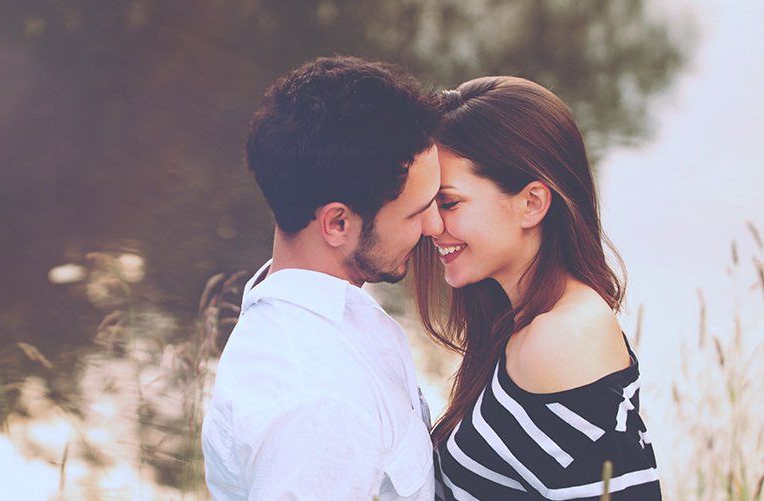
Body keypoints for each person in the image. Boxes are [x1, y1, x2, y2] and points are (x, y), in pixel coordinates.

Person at [201, 56, 443, 500]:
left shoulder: (333, 314)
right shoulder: (317, 404)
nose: (435, 226)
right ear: (337, 224)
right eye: (416, 213)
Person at [411, 77, 661, 500]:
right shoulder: (521, 322)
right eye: (428, 203)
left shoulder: (563, 337)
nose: (431, 224)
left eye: (449, 203)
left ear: (532, 204)